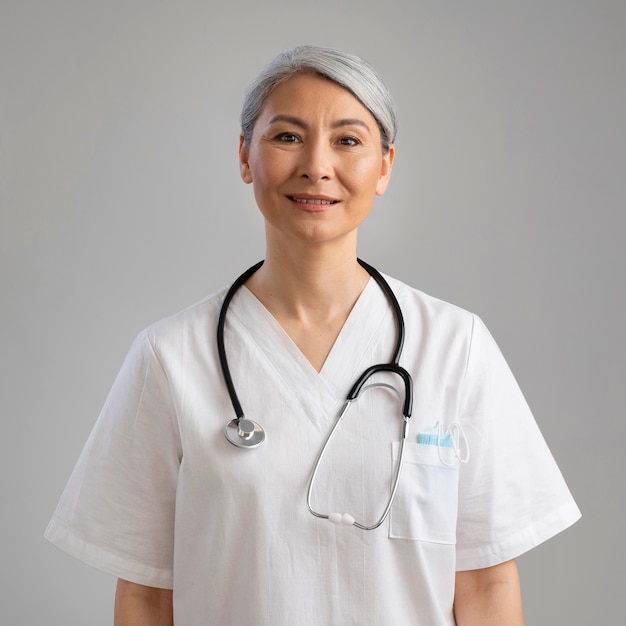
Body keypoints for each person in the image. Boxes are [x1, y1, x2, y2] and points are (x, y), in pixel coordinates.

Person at [45, 45, 580, 625]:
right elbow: (146, 595)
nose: (317, 166)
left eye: (348, 140)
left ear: (385, 166)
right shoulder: (171, 357)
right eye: (287, 137)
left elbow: (486, 584)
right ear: (246, 156)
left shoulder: (456, 347)